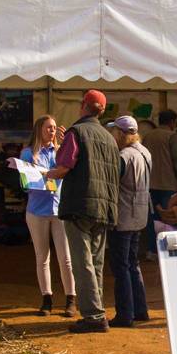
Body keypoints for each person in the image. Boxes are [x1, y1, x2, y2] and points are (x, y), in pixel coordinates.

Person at [45, 90, 121, 333]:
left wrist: (46, 174)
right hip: (105, 206)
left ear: (83, 106)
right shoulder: (109, 137)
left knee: (82, 262)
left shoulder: (77, 132)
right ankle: (96, 311)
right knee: (96, 262)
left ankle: (94, 316)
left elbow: (65, 166)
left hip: (80, 205)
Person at [19, 115, 76, 317]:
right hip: (37, 210)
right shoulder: (28, 154)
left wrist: (65, 143)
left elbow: (68, 170)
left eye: (54, 128)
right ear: (39, 130)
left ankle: (71, 298)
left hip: (59, 210)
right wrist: (45, 178)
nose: (52, 131)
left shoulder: (60, 152)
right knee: (42, 257)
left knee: (65, 257)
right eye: (48, 128)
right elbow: (26, 184)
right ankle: (47, 298)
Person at [106, 116, 152, 327]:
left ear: (121, 133)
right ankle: (140, 310)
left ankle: (125, 314)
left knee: (121, 266)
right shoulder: (144, 152)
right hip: (140, 214)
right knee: (133, 263)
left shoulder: (123, 156)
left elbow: (112, 184)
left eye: (115, 131)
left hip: (124, 216)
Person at [143, 111, 177, 258]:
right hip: (169, 185)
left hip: (150, 184)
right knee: (168, 221)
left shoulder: (148, 136)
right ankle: (167, 251)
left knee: (152, 219)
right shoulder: (172, 136)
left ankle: (151, 249)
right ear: (171, 122)